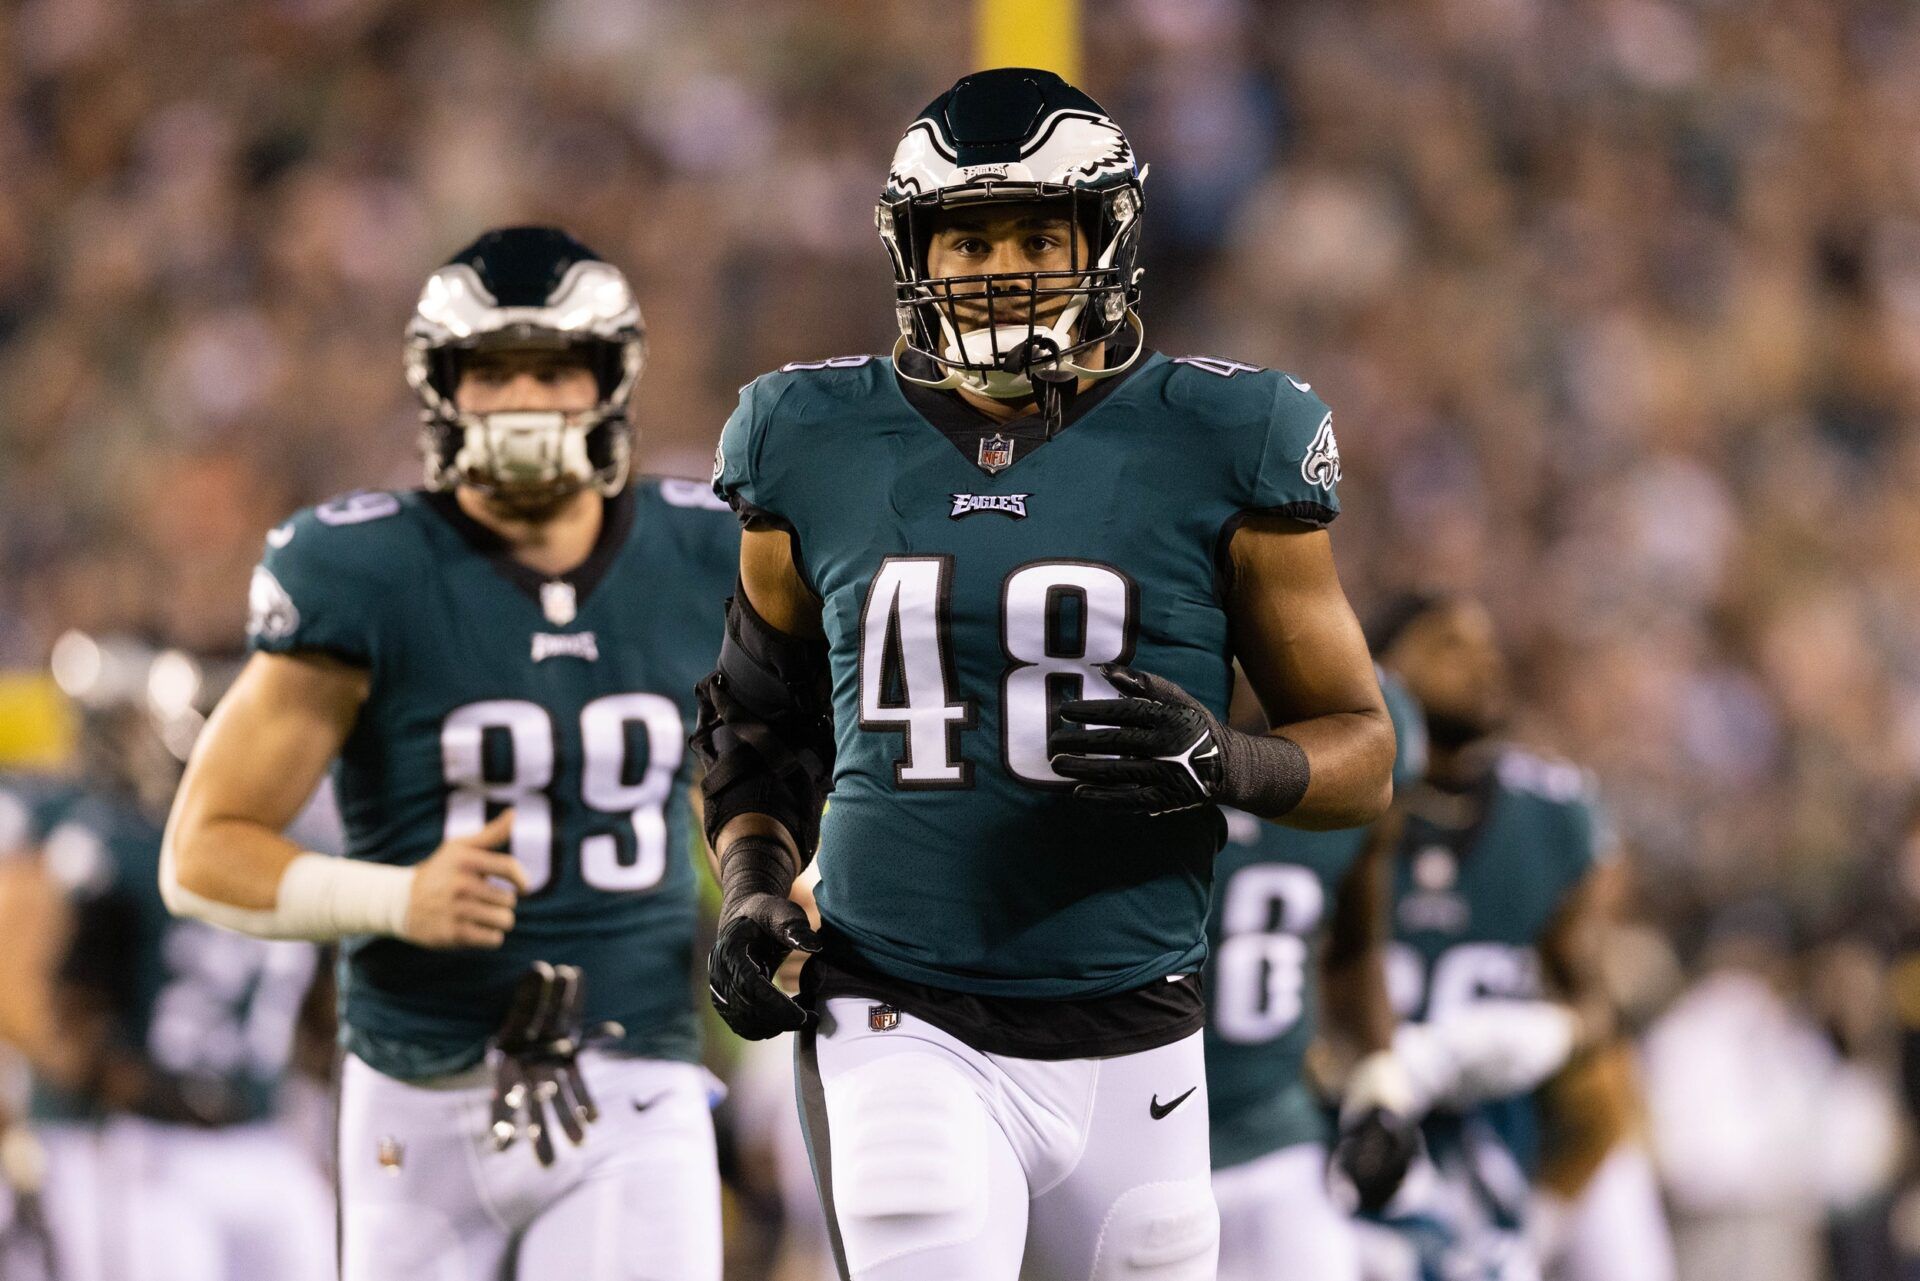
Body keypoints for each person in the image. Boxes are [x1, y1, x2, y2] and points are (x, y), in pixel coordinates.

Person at [695, 68, 1397, 1280]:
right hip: (895, 1000)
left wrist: (1230, 761)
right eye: (967, 238)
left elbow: (1360, 750)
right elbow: (759, 720)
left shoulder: (1227, 437)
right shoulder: (808, 438)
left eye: (1035, 232)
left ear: (1107, 239)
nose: (1001, 267)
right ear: (915, 253)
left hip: (1136, 1020)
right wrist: (755, 882)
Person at [162, 227, 736, 1281]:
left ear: (608, 382)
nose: (523, 399)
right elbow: (200, 853)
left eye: (554, 368)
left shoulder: (709, 552)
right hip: (416, 1091)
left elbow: (803, 777)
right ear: (443, 388)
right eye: (493, 371)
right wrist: (393, 899)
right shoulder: (363, 567)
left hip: (633, 1074)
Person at [0, 634, 331, 1281]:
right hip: (147, 1140)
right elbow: (38, 987)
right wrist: (105, 1076)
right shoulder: (109, 841)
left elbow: (325, 1007)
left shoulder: (308, 846)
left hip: (264, 1131)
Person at [1358, 594, 1618, 1281]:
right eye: (1448, 645)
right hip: (1343, 1162)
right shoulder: (1334, 810)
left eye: (1488, 645)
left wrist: (1537, 1036)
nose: (1484, 663)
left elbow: (1596, 1017)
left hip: (1495, 1161)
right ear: (1379, 669)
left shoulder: (1552, 813)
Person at [1206, 669, 1426, 1281]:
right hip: (1128, 1138)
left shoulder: (1365, 730)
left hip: (1278, 1134)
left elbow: (1357, 944)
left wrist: (1380, 1080)